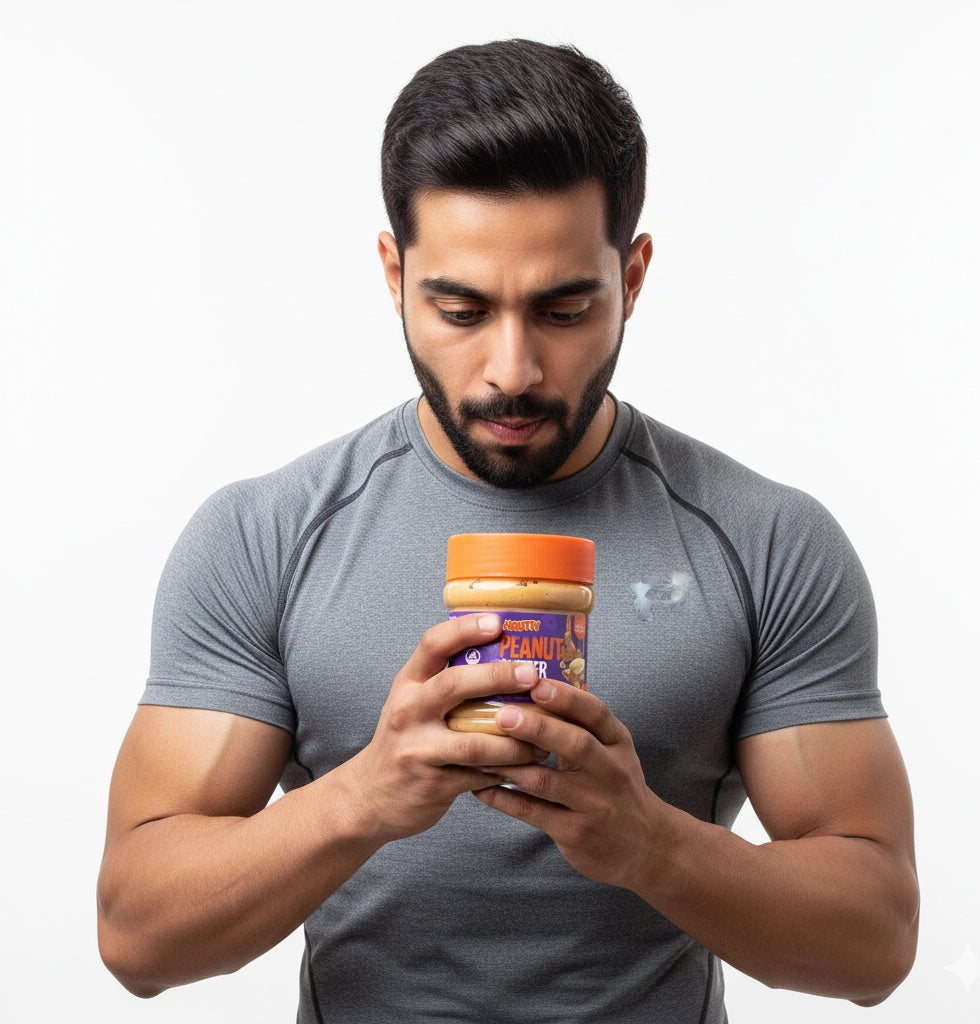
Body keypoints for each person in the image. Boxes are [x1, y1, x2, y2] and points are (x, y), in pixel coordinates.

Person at [97, 38, 919, 1023]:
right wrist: (363, 797)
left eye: (564, 306)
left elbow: (873, 942)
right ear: (393, 274)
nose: (512, 368)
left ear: (634, 276)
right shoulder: (265, 537)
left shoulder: (763, 541)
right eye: (460, 307)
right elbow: (137, 937)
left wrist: (648, 843)